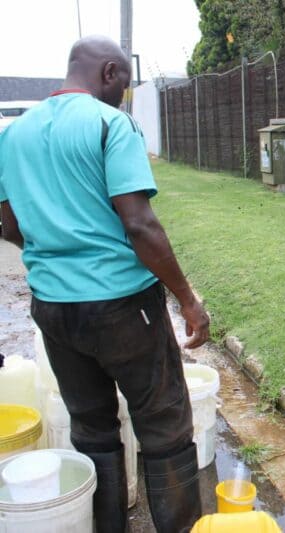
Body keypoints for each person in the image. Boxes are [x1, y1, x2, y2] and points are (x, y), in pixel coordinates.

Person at [0, 36, 208, 533]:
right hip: (123, 307)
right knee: (164, 424)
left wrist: (56, 243)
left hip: (53, 307)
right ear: (110, 72)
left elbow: (8, 226)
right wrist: (187, 300)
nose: (124, 95)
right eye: (125, 85)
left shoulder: (13, 135)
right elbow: (140, 225)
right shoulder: (109, 124)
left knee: (92, 429)